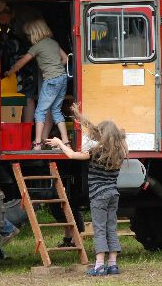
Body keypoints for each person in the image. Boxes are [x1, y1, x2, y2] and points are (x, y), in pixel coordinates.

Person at [46, 104, 128, 276]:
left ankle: (99, 265)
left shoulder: (95, 152)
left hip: (99, 196)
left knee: (99, 228)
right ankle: (112, 264)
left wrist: (60, 142)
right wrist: (81, 118)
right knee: (111, 228)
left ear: (102, 135)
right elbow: (107, 134)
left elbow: (71, 155)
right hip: (114, 194)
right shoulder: (120, 152)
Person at [4, 19, 69, 150]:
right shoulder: (53, 42)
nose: (28, 38)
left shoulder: (37, 46)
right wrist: (56, 68)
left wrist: (9, 72)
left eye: (28, 35)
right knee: (56, 110)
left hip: (50, 80)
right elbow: (66, 58)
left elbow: (21, 63)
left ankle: (37, 143)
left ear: (34, 34)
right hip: (62, 78)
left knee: (40, 111)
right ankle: (66, 141)